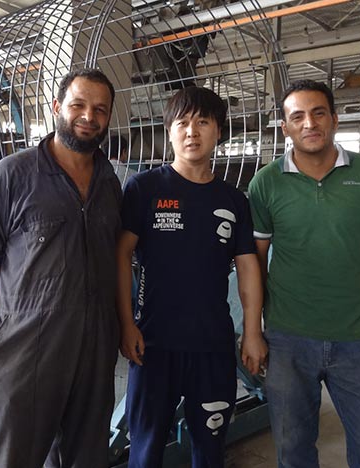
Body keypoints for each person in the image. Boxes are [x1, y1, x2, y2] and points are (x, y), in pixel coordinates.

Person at [247, 79, 360, 467]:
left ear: (335, 120)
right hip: (288, 339)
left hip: (359, 338)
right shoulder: (266, 183)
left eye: (318, 113)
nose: (309, 123)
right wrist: (253, 330)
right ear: (285, 127)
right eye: (297, 117)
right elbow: (253, 262)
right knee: (293, 453)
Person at [0, 68, 122, 468]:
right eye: (78, 105)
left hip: (95, 346)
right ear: (57, 107)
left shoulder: (110, 182)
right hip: (25, 346)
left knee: (86, 455)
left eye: (100, 110)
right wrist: (20, 318)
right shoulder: (11, 175)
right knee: (8, 454)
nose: (88, 116)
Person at [116, 86, 264, 468]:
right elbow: (121, 255)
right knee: (145, 451)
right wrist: (126, 324)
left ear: (218, 131)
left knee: (210, 453)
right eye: (182, 123)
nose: (192, 132)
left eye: (203, 122)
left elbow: (248, 267)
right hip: (153, 346)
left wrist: (252, 332)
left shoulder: (233, 201)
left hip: (211, 347)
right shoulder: (144, 188)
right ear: (169, 132)